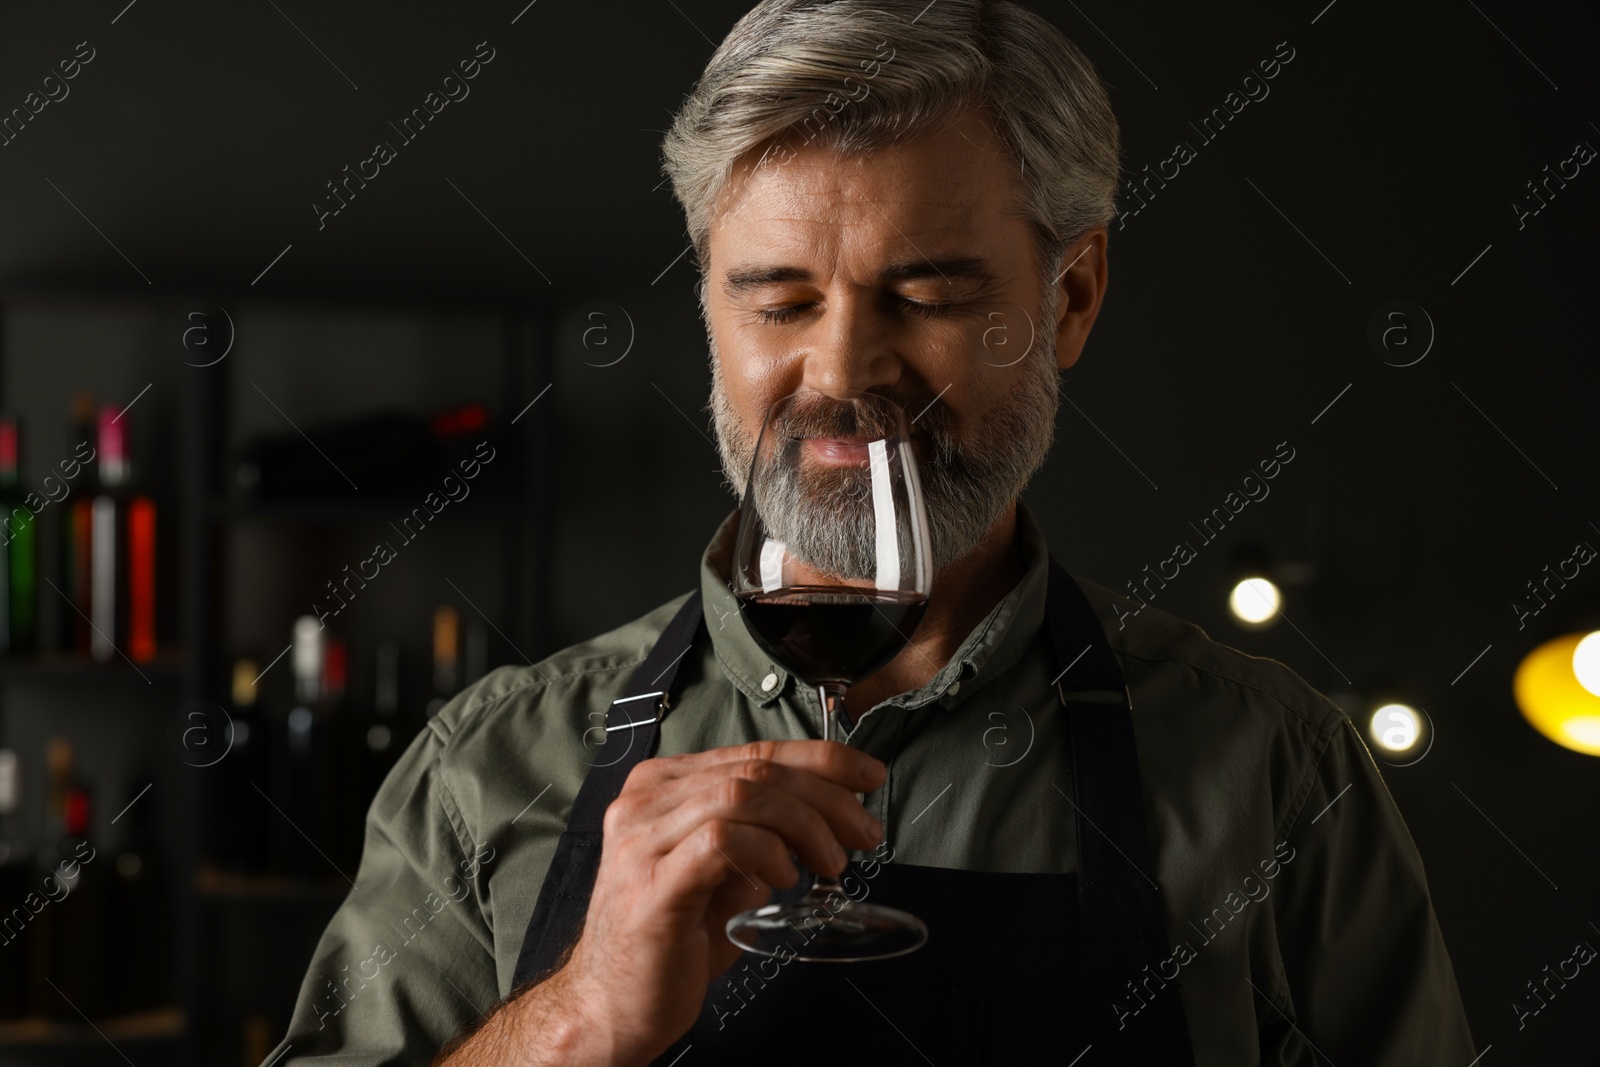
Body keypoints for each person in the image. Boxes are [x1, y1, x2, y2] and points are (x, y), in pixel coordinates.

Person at [266, 1, 1476, 1064]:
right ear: (707, 308)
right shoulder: (490, 769)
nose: (842, 369)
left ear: (1070, 297)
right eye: (780, 299)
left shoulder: (1278, 774)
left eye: (927, 294)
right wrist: (574, 1022)